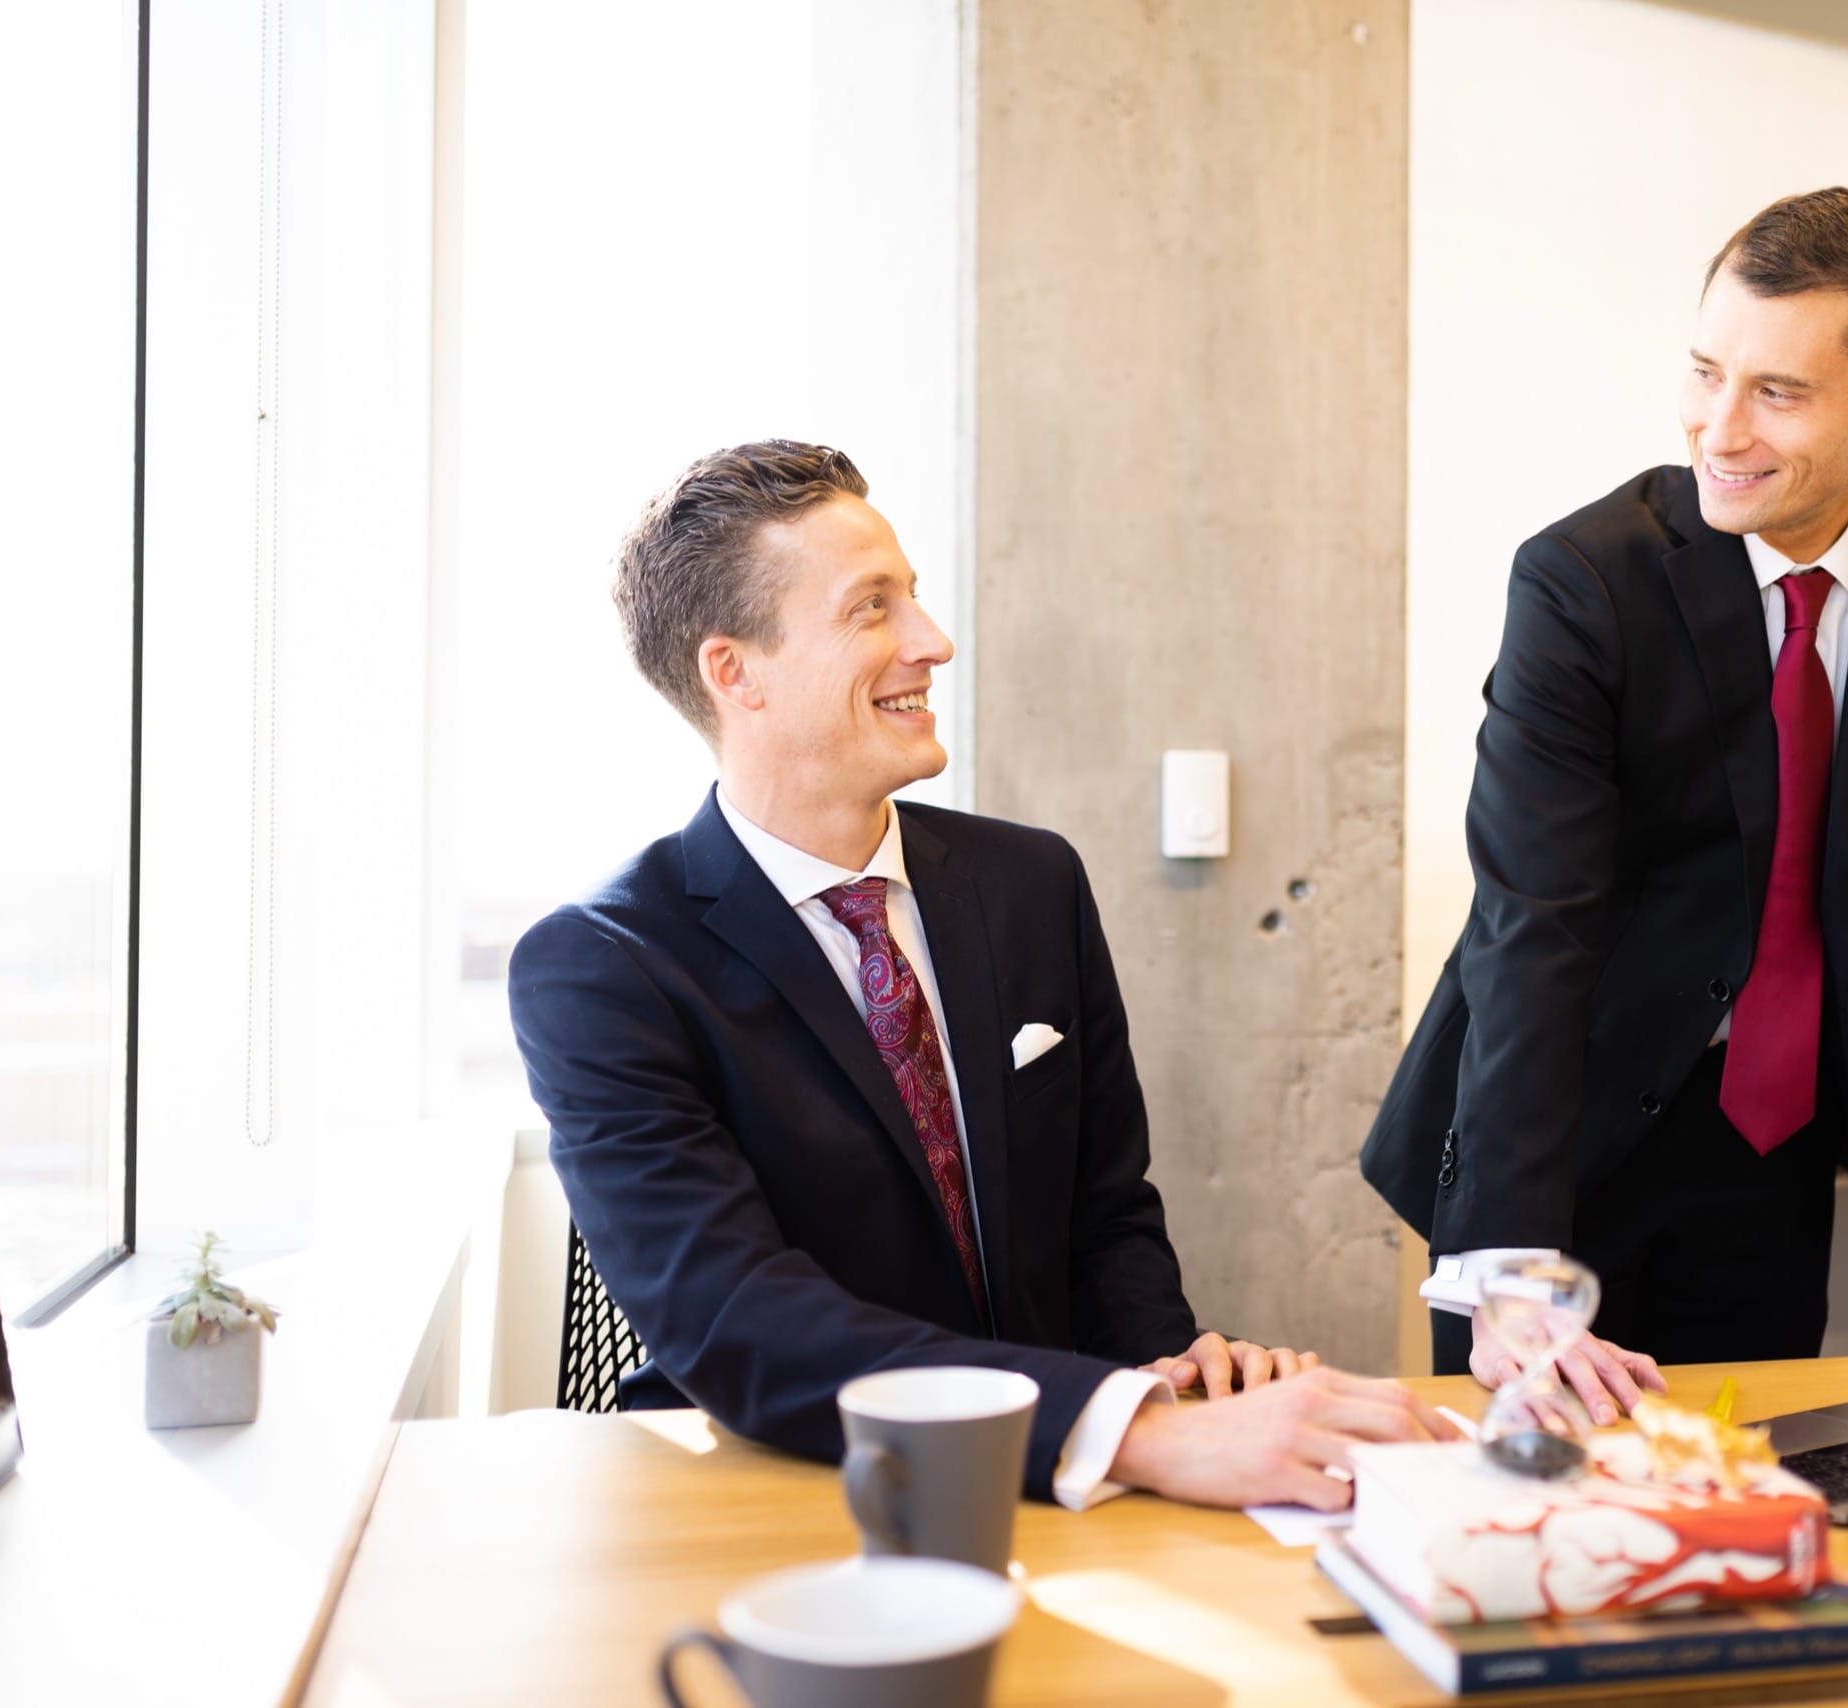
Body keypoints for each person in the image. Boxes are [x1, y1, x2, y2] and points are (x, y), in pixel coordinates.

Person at [513, 441, 1441, 1513]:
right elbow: (740, 1321)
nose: (932, 643)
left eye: (914, 598)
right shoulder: (601, 966)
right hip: (789, 1489)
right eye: (871, 610)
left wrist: (1171, 1378)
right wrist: (1129, 1429)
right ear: (737, 672)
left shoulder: (1029, 882)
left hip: (1067, 1480)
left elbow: (1107, 1215)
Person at [1364, 187, 1848, 1400]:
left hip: (1771, 1150)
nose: (1717, 430)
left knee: (1741, 1496)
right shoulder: (1584, 585)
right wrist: (1515, 1270)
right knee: (1540, 1523)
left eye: (1776, 392)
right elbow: (1535, 925)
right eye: (1703, 373)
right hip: (1551, 1143)